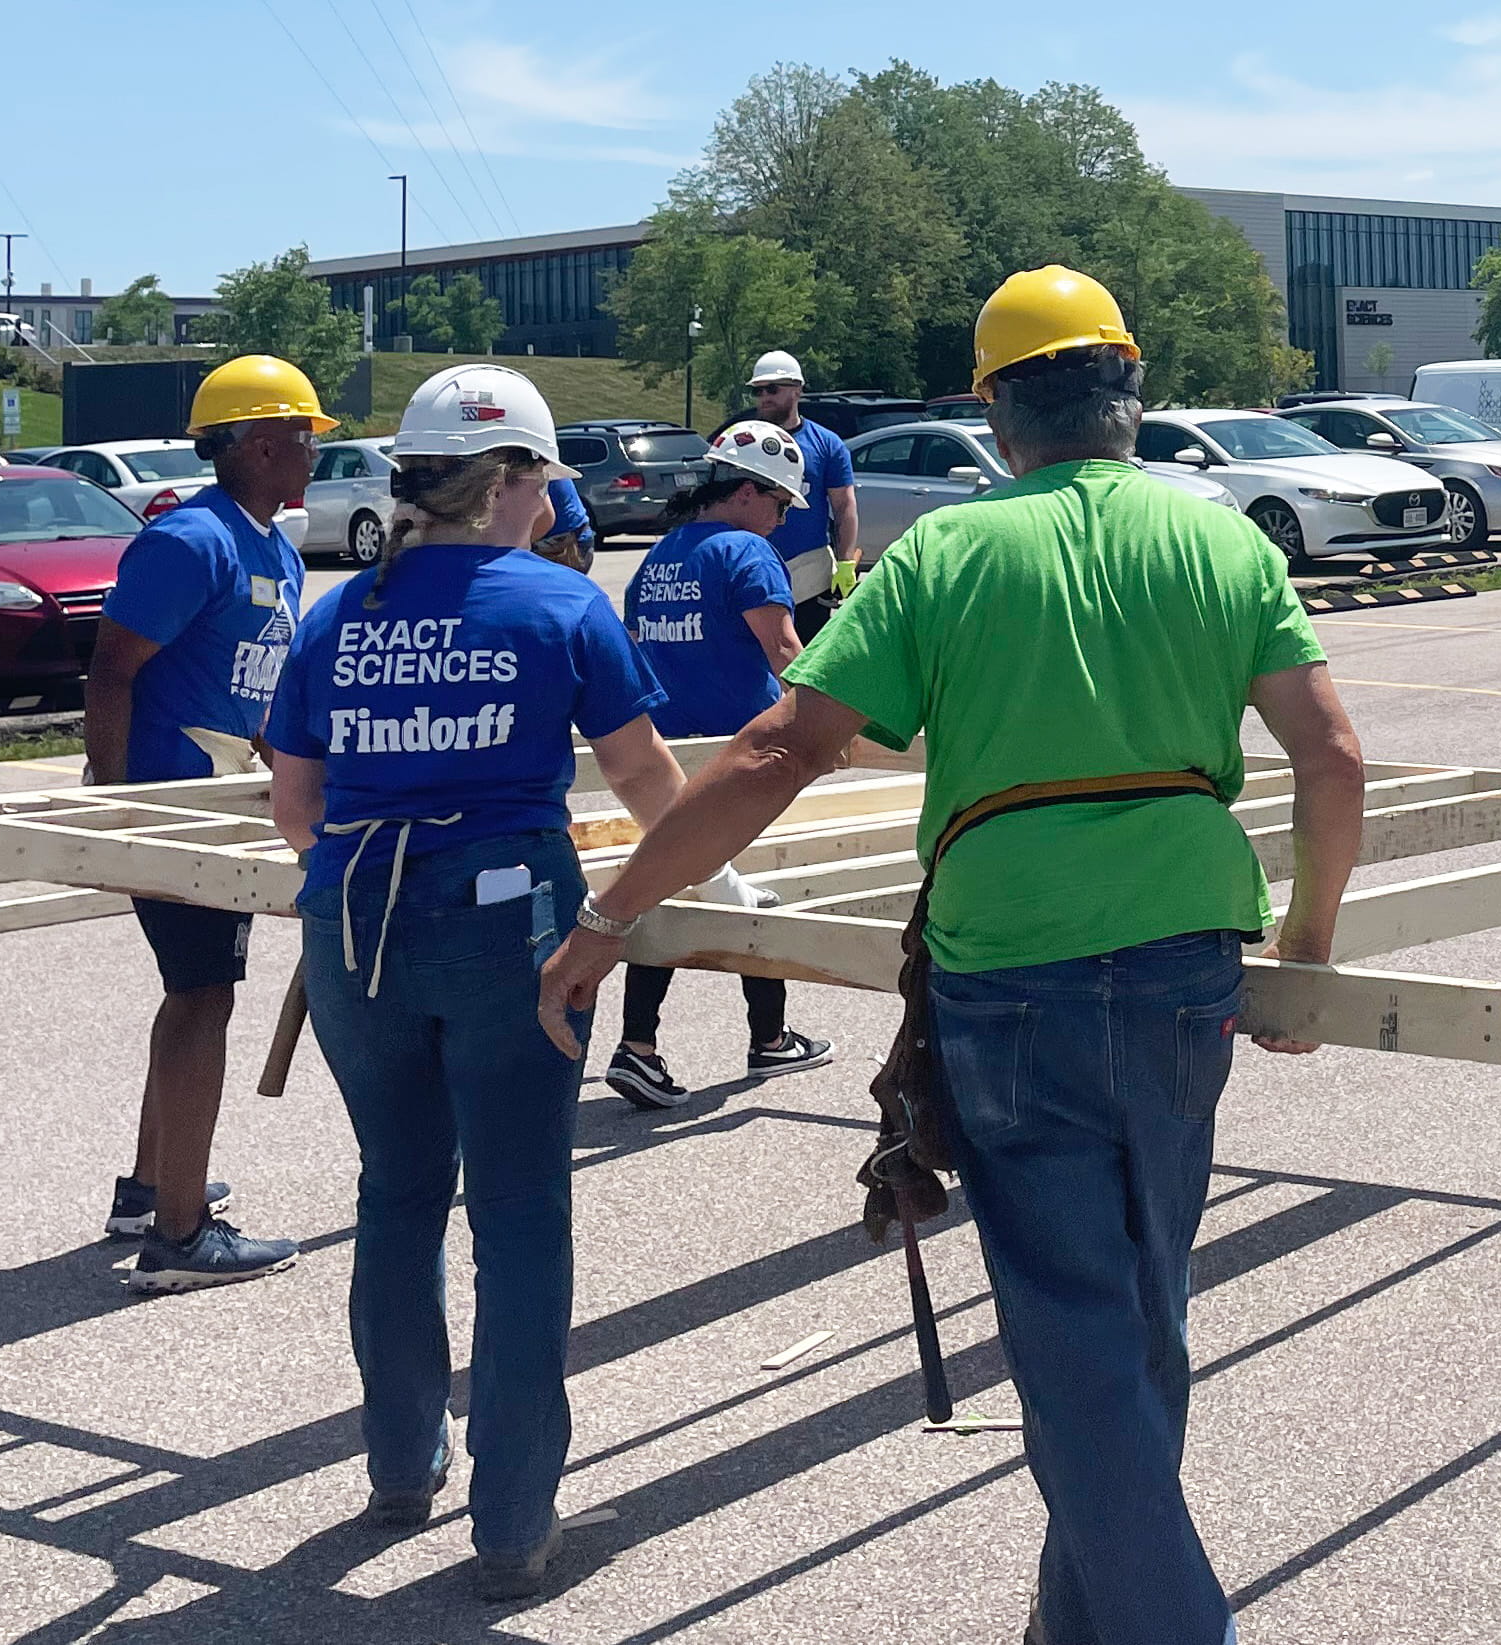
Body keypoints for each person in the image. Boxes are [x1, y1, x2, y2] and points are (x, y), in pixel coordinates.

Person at [542, 267, 1367, 1645]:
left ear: (994, 410)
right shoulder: (1222, 541)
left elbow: (778, 748)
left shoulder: (948, 554)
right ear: (1130, 388)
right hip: (1182, 959)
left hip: (1015, 971)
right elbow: (1332, 756)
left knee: (1075, 1331)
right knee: (1139, 1305)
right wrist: (1311, 942)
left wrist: (610, 915)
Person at [265, 361, 685, 1602]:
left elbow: (297, 802)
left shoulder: (345, 612)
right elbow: (650, 783)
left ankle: (401, 1461)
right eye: (547, 479)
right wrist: (697, 885)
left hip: (355, 923)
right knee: (517, 1209)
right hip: (515, 928)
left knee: (396, 1194)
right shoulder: (559, 607)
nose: (554, 499)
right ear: (508, 483)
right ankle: (512, 1520)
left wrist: (381, 871)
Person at [80, 355, 330, 1292]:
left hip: (228, 799)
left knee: (195, 990)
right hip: (170, 801)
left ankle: (151, 1187)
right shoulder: (191, 541)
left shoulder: (275, 546)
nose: (315, 455)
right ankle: (179, 1236)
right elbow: (111, 669)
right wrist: (113, 801)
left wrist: (297, 779)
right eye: (306, 438)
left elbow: (254, 692)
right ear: (261, 442)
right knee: (203, 996)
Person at [600, 418, 833, 1108]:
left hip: (667, 757)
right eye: (782, 504)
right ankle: (761, 1037)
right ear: (748, 492)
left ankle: (650, 1042)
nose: (783, 519)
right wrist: (832, 723)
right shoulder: (748, 554)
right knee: (751, 891)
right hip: (744, 752)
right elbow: (787, 653)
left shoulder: (660, 556)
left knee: (667, 884)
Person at [718, 349, 858, 623]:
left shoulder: (826, 444)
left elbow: (844, 506)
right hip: (749, 567)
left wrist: (846, 561)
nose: (764, 398)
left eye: (772, 389)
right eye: (758, 391)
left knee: (804, 656)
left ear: (797, 390)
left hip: (808, 573)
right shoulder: (742, 442)